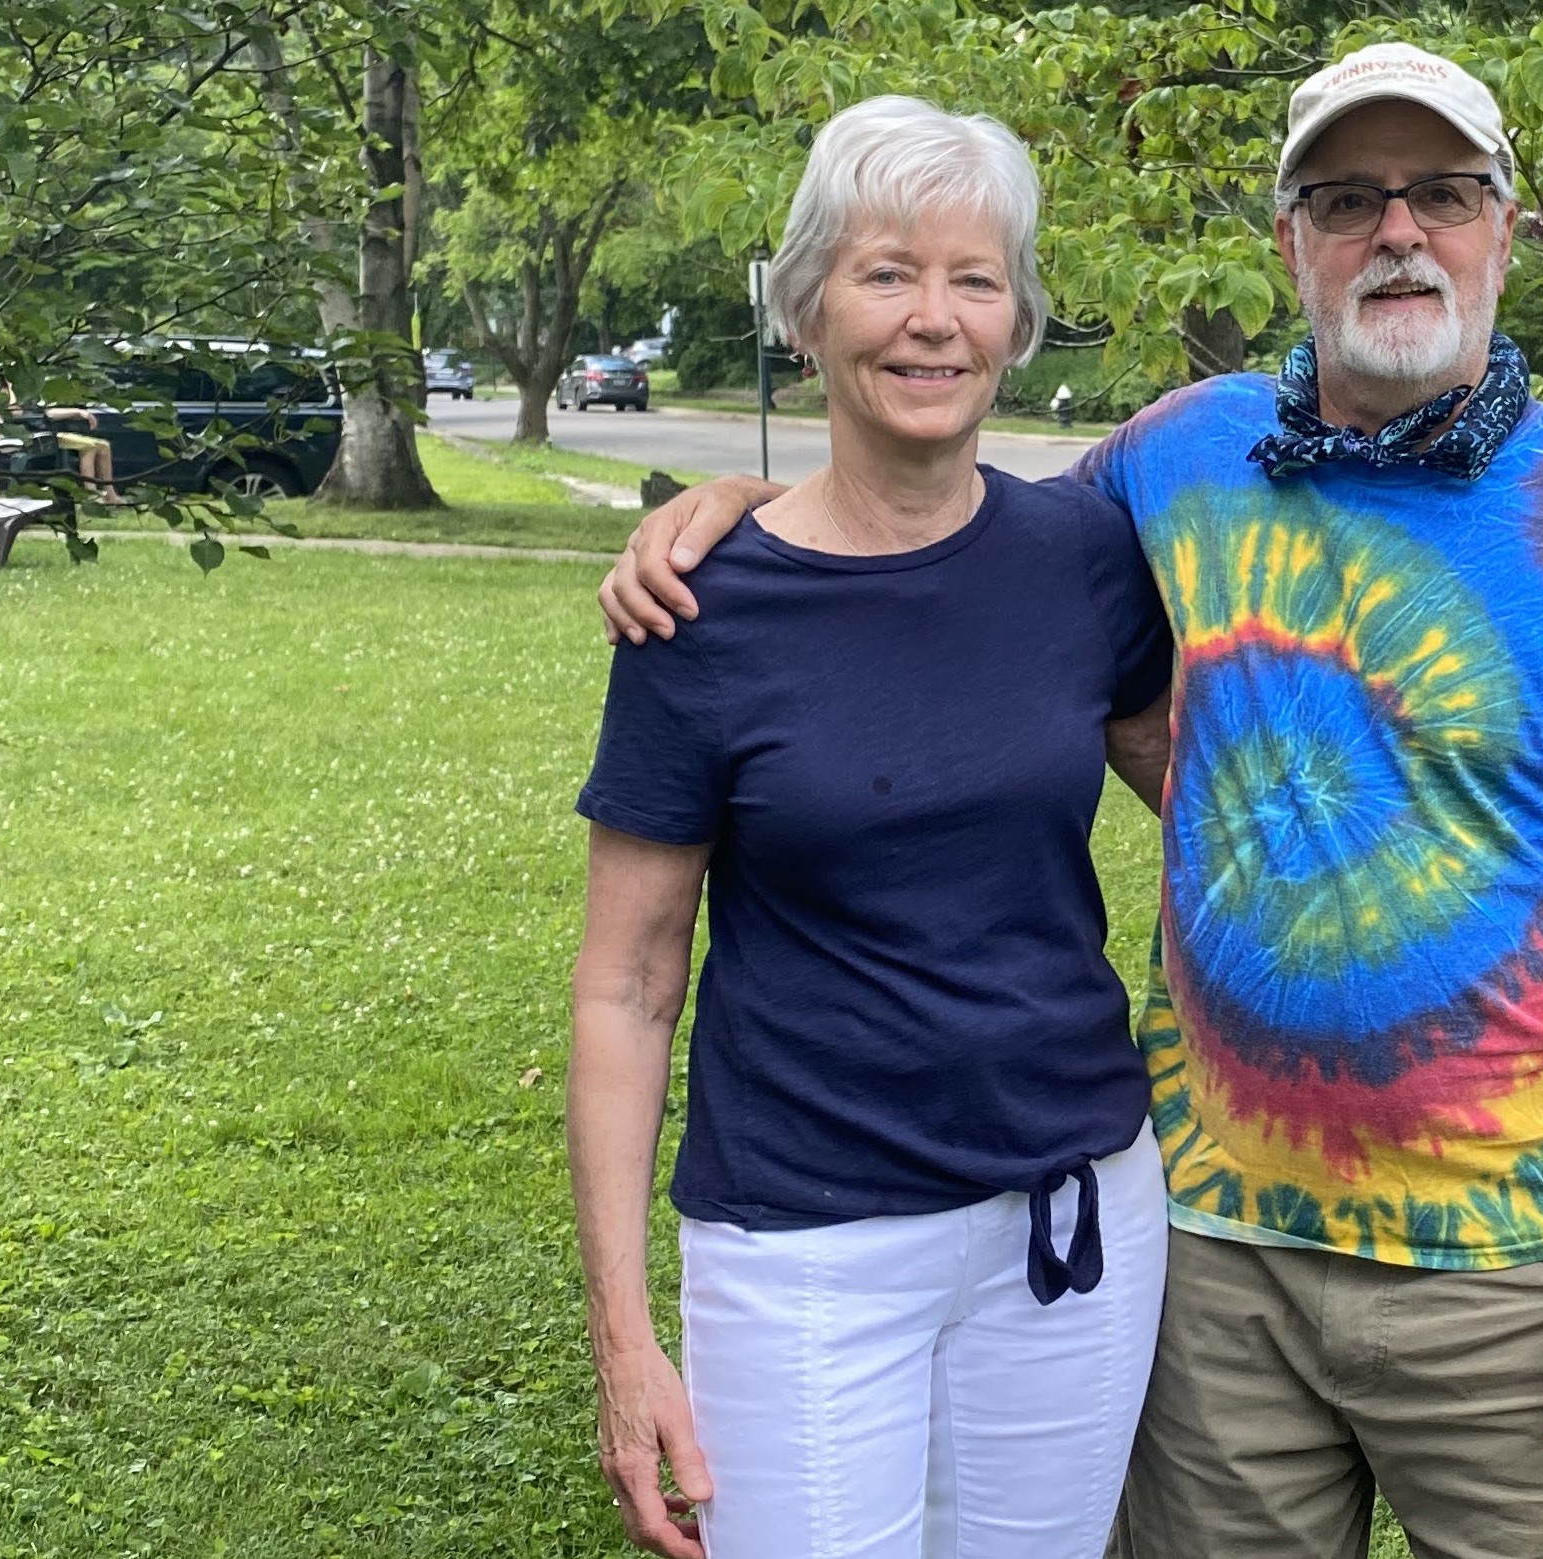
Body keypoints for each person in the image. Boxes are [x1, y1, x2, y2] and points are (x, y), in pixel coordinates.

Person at [600, 44, 1543, 1559]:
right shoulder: (1180, 458)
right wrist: (738, 519)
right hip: (1205, 1252)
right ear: (1290, 238)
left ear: (1504, 226)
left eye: (1441, 193)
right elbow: (945, 527)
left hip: (1519, 1271)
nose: (1398, 234)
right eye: (1348, 199)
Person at [567, 96, 1175, 1559]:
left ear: (1018, 319)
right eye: (886, 273)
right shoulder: (696, 606)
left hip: (1073, 1223)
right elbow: (626, 982)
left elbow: (1205, 800)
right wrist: (623, 1341)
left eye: (975, 280)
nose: (933, 321)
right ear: (807, 310)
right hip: (804, 1249)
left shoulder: (1084, 555)